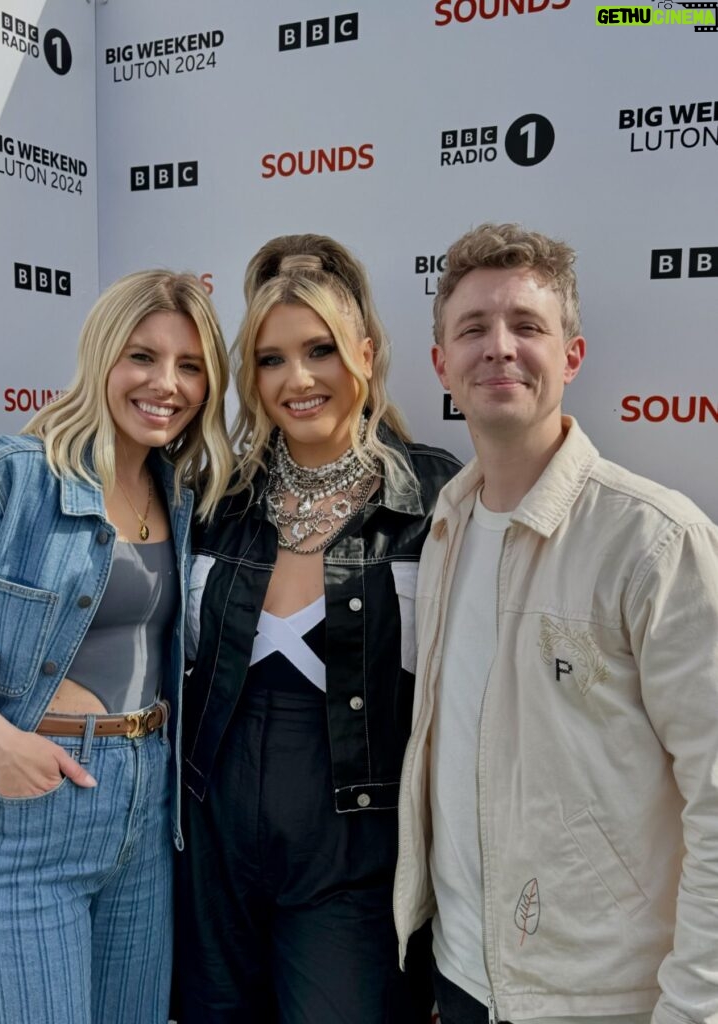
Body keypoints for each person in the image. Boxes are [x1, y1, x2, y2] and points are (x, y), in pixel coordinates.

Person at [393, 222, 718, 1024]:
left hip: (608, 998)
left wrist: (692, 1006)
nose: (498, 348)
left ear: (570, 357)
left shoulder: (654, 538)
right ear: (441, 364)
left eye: (526, 326)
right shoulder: (443, 525)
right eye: (472, 329)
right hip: (462, 978)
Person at [0, 270, 233, 1024]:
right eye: (142, 357)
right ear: (100, 357)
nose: (166, 384)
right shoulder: (8, 477)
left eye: (189, 366)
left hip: (145, 816)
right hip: (23, 815)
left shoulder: (183, 493)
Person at [176, 233, 461, 1023]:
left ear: (364, 355)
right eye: (270, 359)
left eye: (320, 351)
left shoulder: (436, 495)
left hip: (355, 858)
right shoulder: (214, 499)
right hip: (212, 846)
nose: (297, 379)